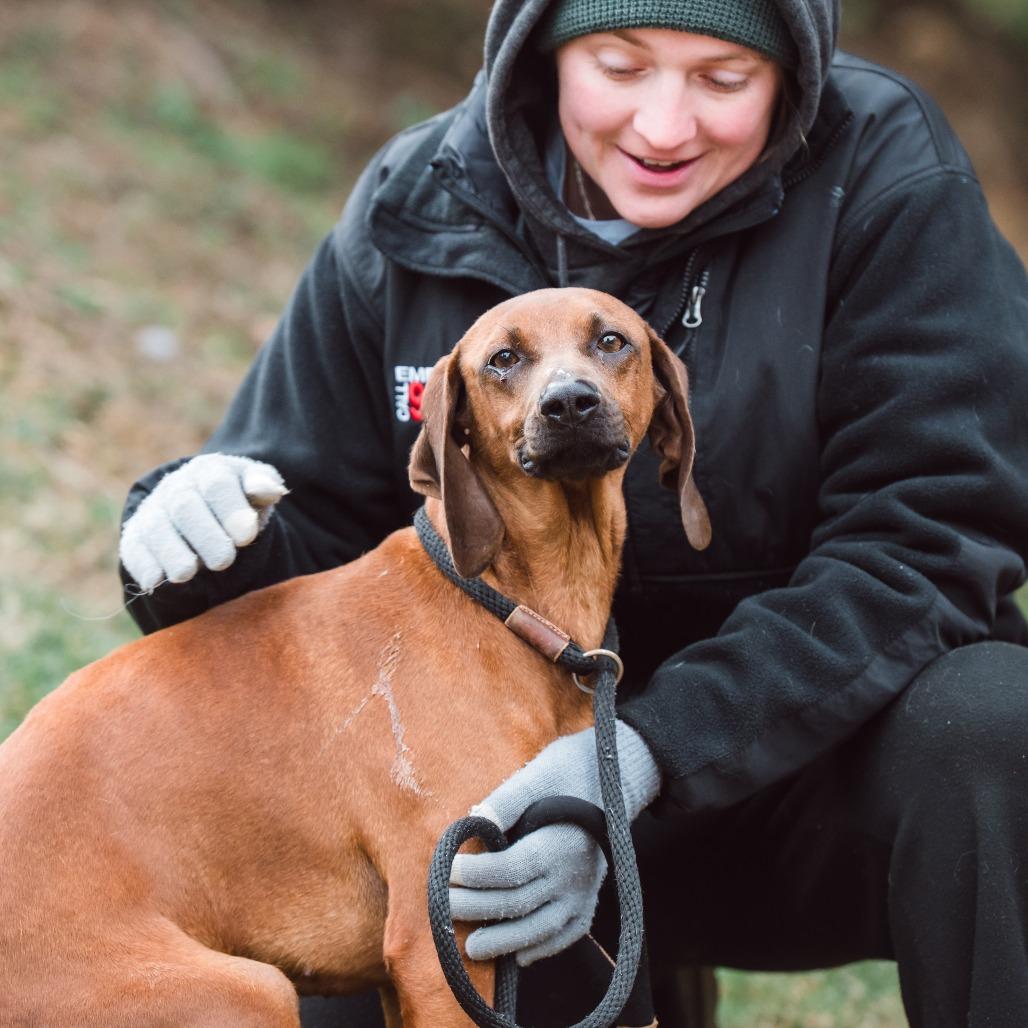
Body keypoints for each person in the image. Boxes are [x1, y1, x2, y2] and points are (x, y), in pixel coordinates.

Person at [118, 0, 1028, 1024]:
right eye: (619, 65)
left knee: (995, 724)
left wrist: (637, 755)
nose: (663, 127)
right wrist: (199, 541)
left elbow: (928, 543)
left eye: (722, 79)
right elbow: (309, 526)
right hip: (494, 810)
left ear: (794, 74)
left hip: (798, 779)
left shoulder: (887, 175)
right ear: (540, 49)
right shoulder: (420, 201)